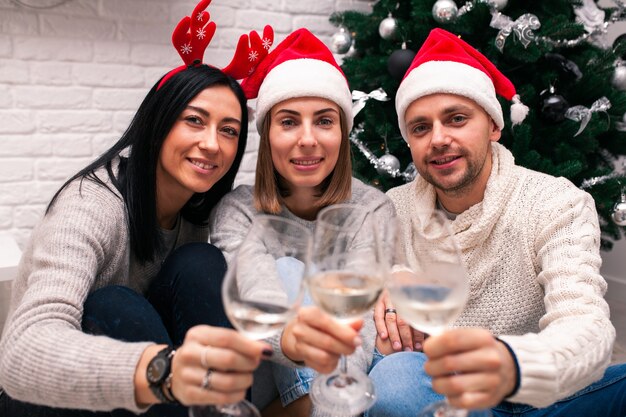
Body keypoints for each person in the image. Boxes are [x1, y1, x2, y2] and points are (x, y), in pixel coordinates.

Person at [0, 2, 274, 416]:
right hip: (41, 398)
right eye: (194, 120)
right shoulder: (90, 205)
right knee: (114, 302)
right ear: (158, 124)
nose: (213, 144)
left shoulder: (198, 212)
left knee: (201, 261)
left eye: (229, 131)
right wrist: (162, 371)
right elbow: (21, 351)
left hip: (138, 393)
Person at [367, 28, 626, 417]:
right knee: (395, 381)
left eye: (456, 119)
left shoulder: (556, 202)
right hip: (439, 394)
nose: (438, 139)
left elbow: (585, 325)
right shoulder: (391, 210)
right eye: (420, 128)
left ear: (493, 126)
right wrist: (385, 304)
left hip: (537, 396)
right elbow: (367, 315)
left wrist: (510, 364)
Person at [209, 28, 396, 417]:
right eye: (289, 122)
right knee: (288, 270)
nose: (308, 139)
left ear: (342, 134)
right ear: (268, 134)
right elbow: (261, 308)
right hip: (267, 367)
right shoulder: (239, 211)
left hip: (348, 379)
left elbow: (357, 327)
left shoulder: (372, 209)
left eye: (324, 122)